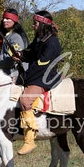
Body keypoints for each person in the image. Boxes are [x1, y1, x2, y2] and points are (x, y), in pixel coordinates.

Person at [13, 10, 62, 155]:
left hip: (45, 77)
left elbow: (41, 66)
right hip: (37, 75)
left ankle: (29, 140)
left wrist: (24, 77)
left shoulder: (52, 43)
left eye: (35, 23)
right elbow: (30, 53)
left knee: (25, 99)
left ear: (42, 25)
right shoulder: (40, 38)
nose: (33, 26)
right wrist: (20, 56)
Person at [0, 8, 29, 81]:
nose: (4, 20)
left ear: (14, 20)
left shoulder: (15, 37)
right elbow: (7, 53)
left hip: (15, 75)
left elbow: (11, 60)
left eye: (8, 19)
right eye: (4, 18)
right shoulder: (9, 35)